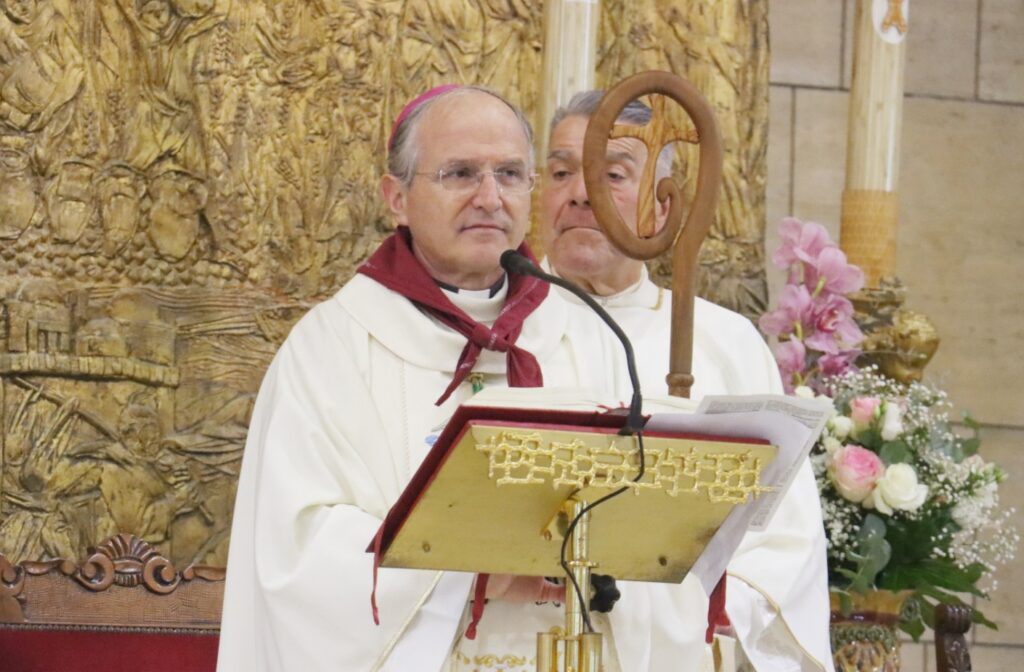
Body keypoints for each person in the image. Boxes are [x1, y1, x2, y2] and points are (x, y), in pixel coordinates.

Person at [218, 85, 680, 671]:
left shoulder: (583, 333)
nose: (490, 197)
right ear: (398, 198)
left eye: (509, 174)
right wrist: (469, 574)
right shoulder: (332, 347)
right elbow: (297, 551)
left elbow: (640, 527)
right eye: (460, 173)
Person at [541, 90, 835, 672]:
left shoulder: (725, 342)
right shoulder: (499, 330)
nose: (579, 192)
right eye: (559, 172)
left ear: (664, 202)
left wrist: (703, 612)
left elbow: (786, 533)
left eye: (612, 174)